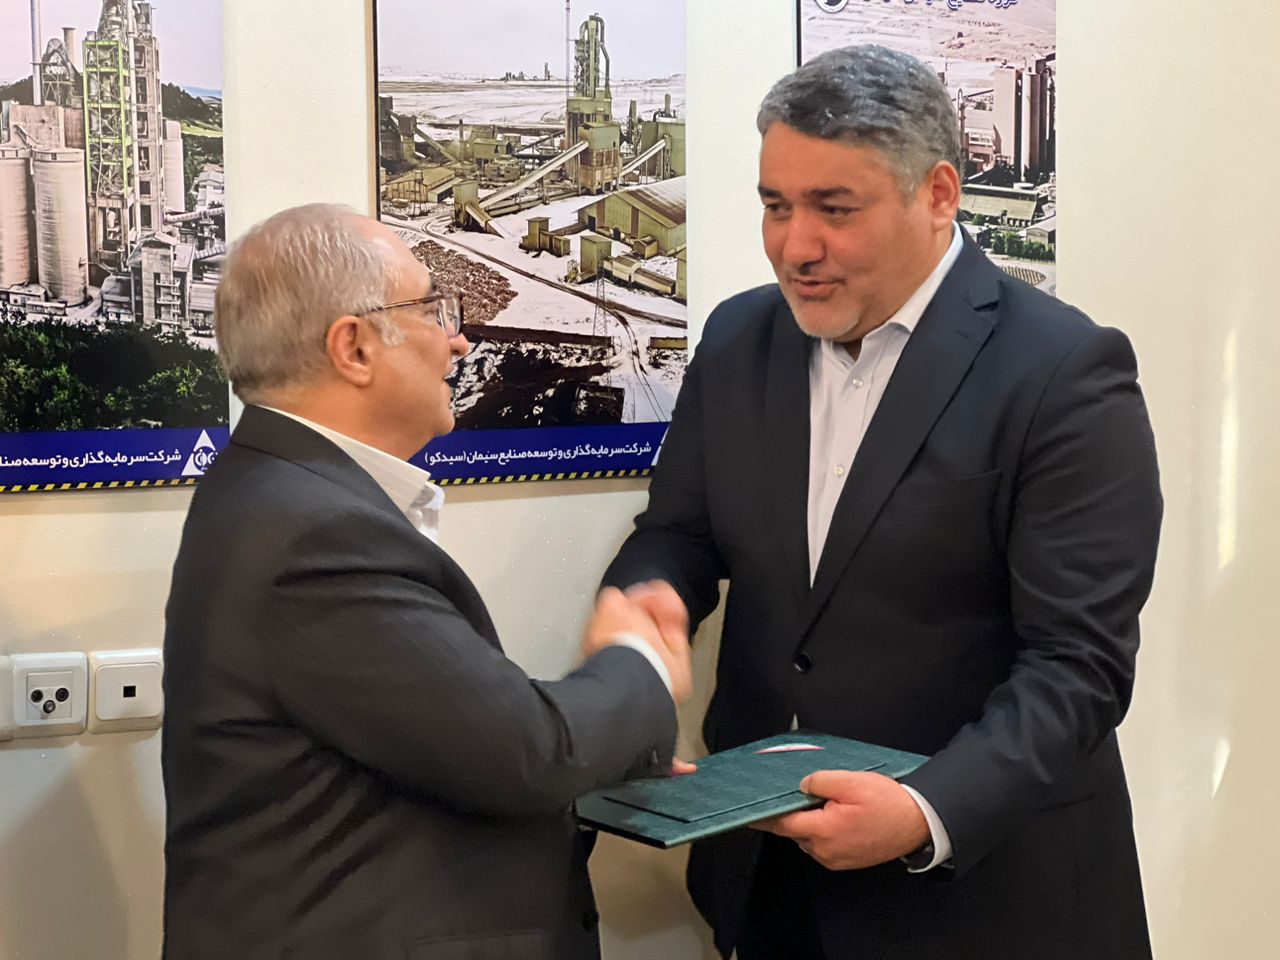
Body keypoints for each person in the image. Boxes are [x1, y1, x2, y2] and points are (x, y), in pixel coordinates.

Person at [603, 45, 1162, 960]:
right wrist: (647, 597)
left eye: (835, 209)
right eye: (775, 206)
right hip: (768, 881)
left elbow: (1080, 666)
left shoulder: (1064, 372)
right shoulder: (740, 337)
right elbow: (679, 532)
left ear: (938, 194)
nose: (796, 246)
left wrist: (924, 809)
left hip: (983, 900)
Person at [162, 203, 692, 960]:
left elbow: (442, 740)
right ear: (354, 347)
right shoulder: (315, 534)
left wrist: (609, 743)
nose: (458, 339)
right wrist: (640, 660)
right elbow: (528, 753)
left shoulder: (279, 492)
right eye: (431, 310)